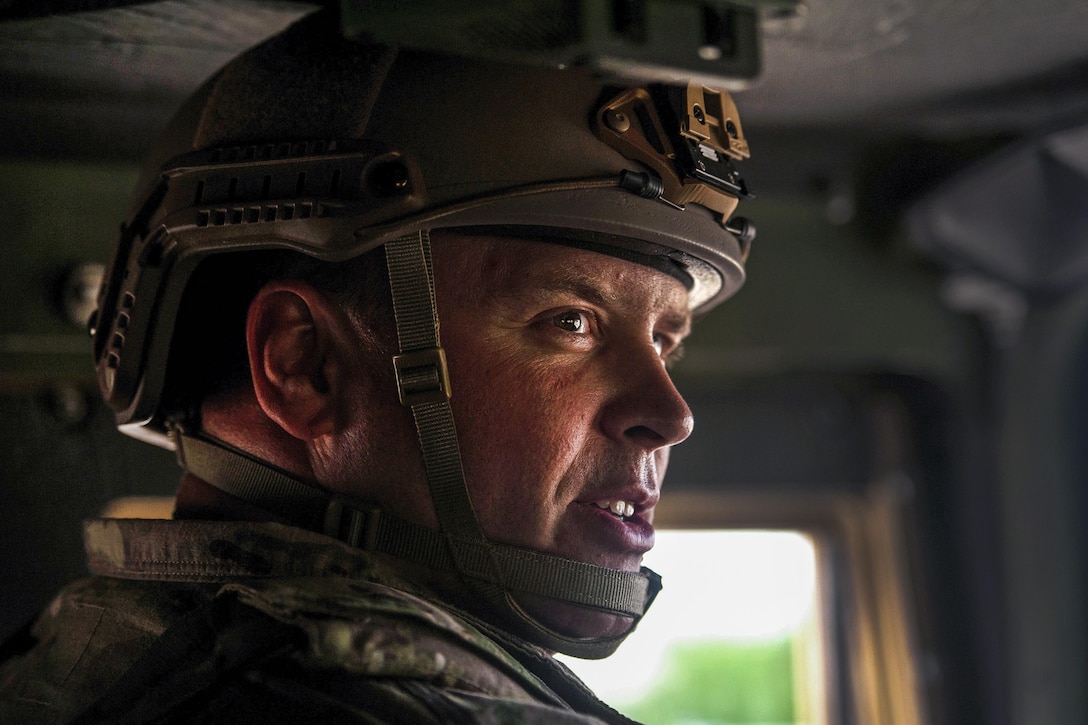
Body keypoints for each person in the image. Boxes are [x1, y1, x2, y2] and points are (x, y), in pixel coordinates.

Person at [0, 10, 755, 724]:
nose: (671, 413)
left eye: (665, 339)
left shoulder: (86, 661)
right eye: (572, 322)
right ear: (307, 364)